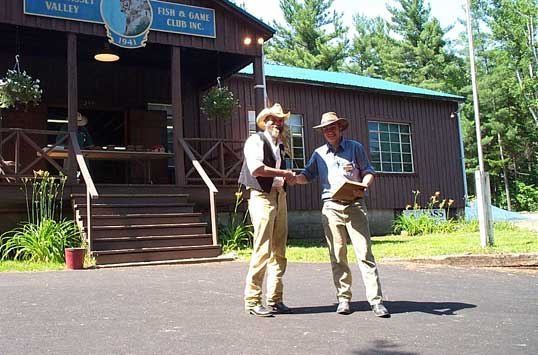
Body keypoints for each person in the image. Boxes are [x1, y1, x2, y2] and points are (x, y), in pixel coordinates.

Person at [289, 112, 390, 317]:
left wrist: (363, 185)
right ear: (322, 132)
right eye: (326, 128)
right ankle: (343, 299)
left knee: (365, 254)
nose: (330, 131)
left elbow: (369, 171)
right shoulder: (318, 154)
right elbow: (307, 176)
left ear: (340, 128)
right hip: (331, 208)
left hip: (355, 205)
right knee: (337, 255)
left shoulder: (355, 148)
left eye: (333, 127)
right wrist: (291, 178)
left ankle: (376, 301)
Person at [238, 103, 296, 317]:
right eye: (273, 119)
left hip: (280, 196)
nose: (277, 123)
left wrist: (290, 177)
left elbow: (279, 174)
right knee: (262, 248)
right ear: (265, 122)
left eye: (280, 120)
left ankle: (275, 298)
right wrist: (285, 173)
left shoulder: (279, 145)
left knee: (279, 251)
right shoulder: (255, 141)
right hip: (262, 197)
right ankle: (252, 300)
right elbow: (257, 169)